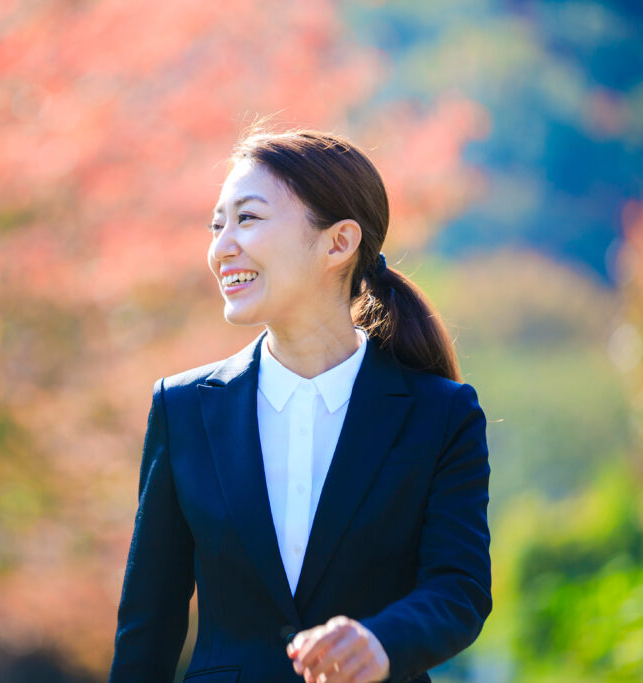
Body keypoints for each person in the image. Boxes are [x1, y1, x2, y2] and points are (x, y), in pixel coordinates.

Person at [107, 128, 491, 683]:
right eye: (217, 226)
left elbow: (460, 589)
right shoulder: (184, 408)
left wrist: (380, 642)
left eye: (248, 219)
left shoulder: (441, 414)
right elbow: (149, 623)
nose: (222, 247)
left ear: (338, 243)